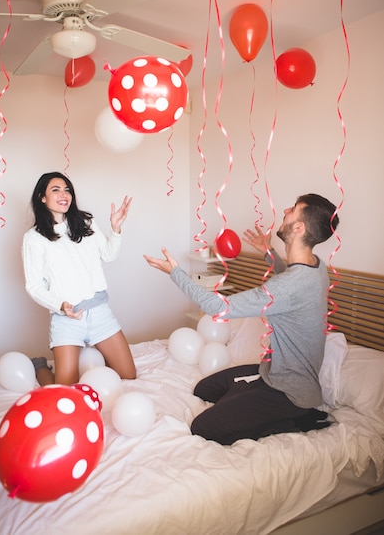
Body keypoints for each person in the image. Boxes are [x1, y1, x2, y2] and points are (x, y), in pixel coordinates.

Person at [144, 193, 339, 445]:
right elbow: (291, 279)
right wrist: (269, 252)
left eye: (293, 209)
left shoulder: (289, 285)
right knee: (204, 390)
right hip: (274, 373)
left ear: (299, 227)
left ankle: (295, 420)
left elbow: (217, 307)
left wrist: (175, 273)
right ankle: (249, 398)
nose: (286, 210)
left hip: (290, 393)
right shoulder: (315, 266)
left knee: (204, 427)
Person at [22, 171, 136, 386]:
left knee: (128, 375)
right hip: (67, 318)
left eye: (67, 190)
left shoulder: (86, 222)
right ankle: (39, 367)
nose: (64, 194)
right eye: (55, 190)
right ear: (42, 198)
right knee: (64, 389)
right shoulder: (34, 239)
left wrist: (116, 228)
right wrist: (60, 305)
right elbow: (34, 286)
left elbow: (108, 255)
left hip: (100, 312)